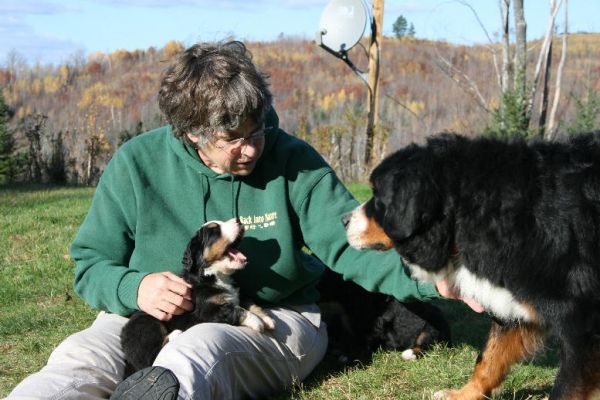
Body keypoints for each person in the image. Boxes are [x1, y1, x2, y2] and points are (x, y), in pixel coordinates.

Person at [8, 40, 478, 400]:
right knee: (77, 361)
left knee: (195, 356)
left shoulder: (295, 162)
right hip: (148, 317)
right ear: (191, 133)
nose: (251, 148)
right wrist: (135, 288)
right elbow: (91, 263)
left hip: (274, 318)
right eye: (233, 138)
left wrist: (434, 278)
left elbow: (349, 246)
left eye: (258, 130)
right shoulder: (136, 164)